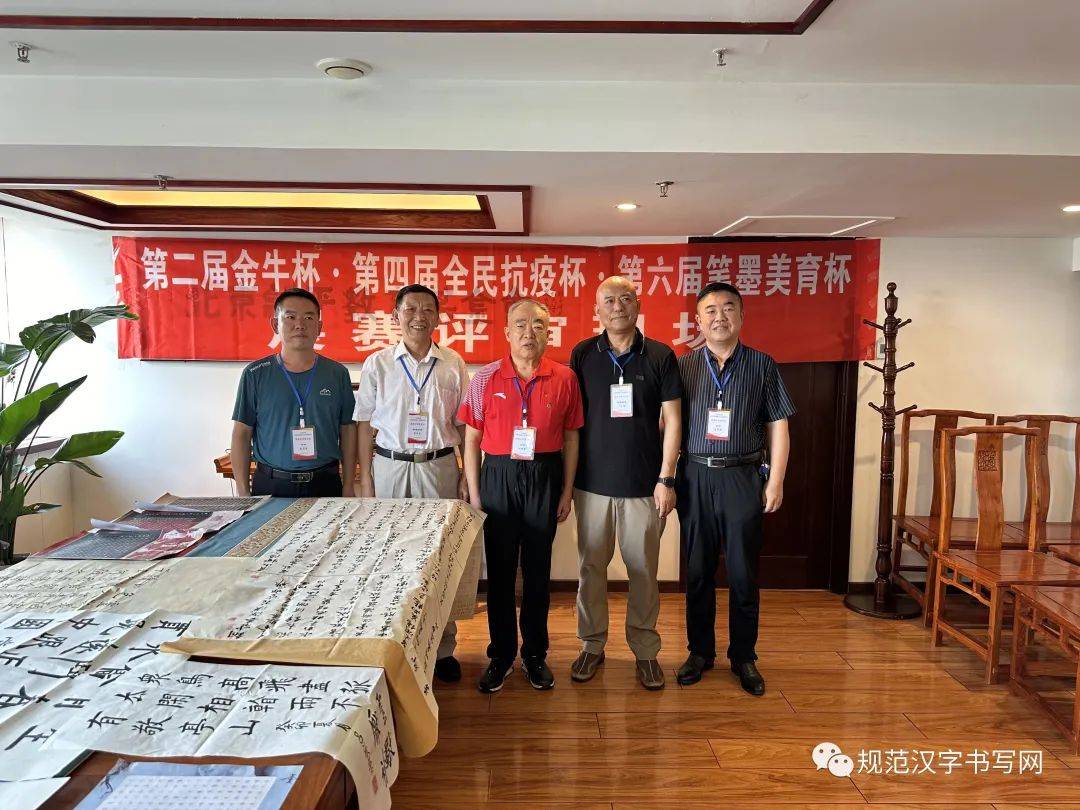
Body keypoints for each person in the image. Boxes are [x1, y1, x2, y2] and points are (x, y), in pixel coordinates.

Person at [675, 282, 794, 695]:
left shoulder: (763, 365)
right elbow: (668, 425)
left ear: (741, 316)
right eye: (710, 310)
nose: (719, 317)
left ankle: (744, 656)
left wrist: (776, 479)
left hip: (743, 477)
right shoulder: (684, 367)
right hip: (695, 476)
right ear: (698, 320)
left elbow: (778, 424)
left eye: (728, 308)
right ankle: (699, 652)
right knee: (697, 571)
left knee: (743, 573)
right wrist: (666, 477)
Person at [458, 299, 583, 693]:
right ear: (507, 332)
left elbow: (571, 438)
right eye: (521, 324)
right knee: (498, 574)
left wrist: (566, 490)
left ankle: (534, 655)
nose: (530, 332)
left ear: (549, 332)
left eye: (539, 325)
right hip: (498, 476)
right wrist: (475, 494)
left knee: (537, 573)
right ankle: (500, 655)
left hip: (544, 475)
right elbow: (472, 439)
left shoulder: (565, 377)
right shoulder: (485, 378)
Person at [354, 283, 472, 683]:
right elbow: (363, 425)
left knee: (439, 558)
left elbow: (463, 425)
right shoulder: (378, 364)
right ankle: (393, 646)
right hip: (390, 467)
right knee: (390, 558)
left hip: (439, 466)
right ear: (396, 316)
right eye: (410, 309)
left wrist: (465, 475)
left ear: (438, 317)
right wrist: (366, 480)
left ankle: (443, 649)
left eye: (427, 309)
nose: (419, 316)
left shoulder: (453, 363)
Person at [568, 276, 682, 690]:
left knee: (643, 571)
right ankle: (592, 644)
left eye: (625, 299)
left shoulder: (660, 355)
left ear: (638, 305)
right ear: (597, 310)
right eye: (609, 300)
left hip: (643, 486)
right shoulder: (583, 354)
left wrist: (666, 478)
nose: (618, 307)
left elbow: (674, 421)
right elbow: (572, 424)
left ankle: (646, 650)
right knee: (590, 569)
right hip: (591, 486)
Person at [231, 288, 356, 498]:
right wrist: (243, 492)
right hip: (271, 485)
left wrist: (349, 484)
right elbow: (241, 433)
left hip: (325, 483)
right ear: (275, 324)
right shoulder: (255, 374)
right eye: (290, 317)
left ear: (319, 327)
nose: (300, 325)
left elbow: (348, 430)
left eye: (309, 317)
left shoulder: (337, 374)